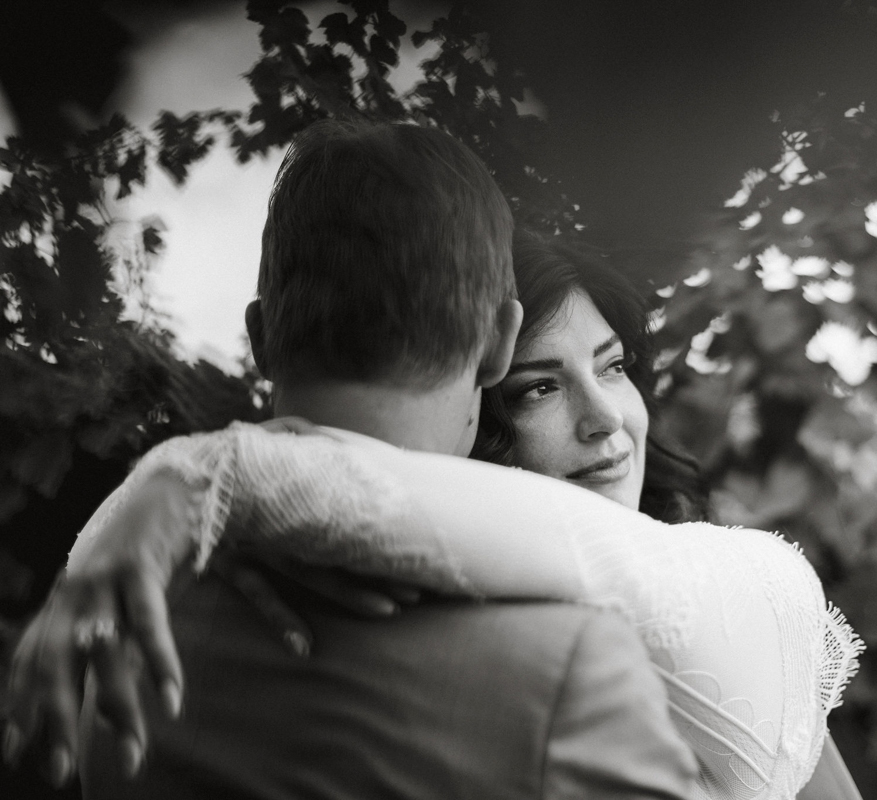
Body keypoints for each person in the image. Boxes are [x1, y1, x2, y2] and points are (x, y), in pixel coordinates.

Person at [4, 118, 701, 799]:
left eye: (614, 368)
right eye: (540, 385)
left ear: (260, 337)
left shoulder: (120, 624)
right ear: (498, 343)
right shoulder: (569, 671)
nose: (604, 417)